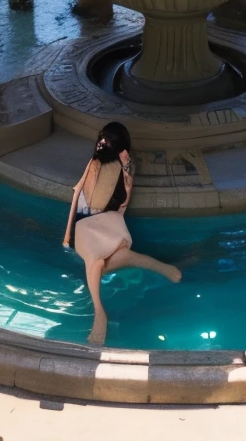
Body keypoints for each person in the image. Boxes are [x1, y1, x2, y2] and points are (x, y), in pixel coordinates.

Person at [62, 121, 181, 345]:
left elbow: (123, 197)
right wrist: (69, 234)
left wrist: (126, 168)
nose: (101, 142)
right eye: (101, 137)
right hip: (86, 225)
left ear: (118, 144)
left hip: (105, 222)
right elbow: (80, 195)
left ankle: (99, 312)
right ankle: (148, 266)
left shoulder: (120, 164)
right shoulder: (95, 162)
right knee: (102, 262)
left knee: (96, 262)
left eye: (107, 139)